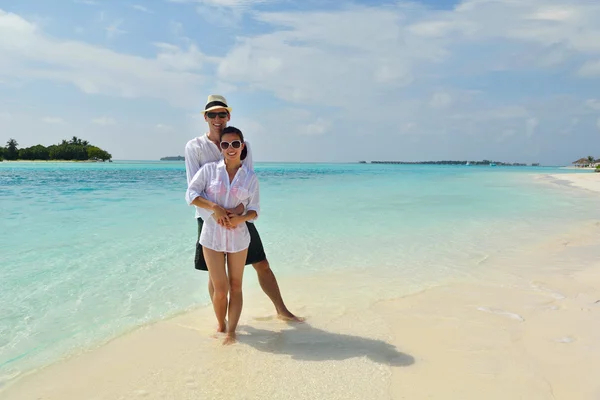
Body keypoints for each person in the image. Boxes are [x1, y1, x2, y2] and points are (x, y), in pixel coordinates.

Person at [184, 95, 303, 322]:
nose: (217, 118)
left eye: (221, 114)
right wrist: (215, 213)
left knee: (262, 263)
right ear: (205, 117)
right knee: (216, 277)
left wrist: (237, 214)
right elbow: (193, 187)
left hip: (239, 217)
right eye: (212, 114)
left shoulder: (243, 143)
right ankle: (222, 324)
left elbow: (247, 182)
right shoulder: (195, 146)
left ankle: (281, 310)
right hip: (208, 218)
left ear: (228, 115)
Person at [186, 126, 258, 345]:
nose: (230, 148)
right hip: (211, 236)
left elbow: (254, 210)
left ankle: (232, 332)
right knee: (220, 288)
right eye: (225, 144)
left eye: (235, 144)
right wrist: (214, 207)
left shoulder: (250, 177)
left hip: (239, 237)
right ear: (221, 148)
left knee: (236, 286)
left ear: (242, 146)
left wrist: (239, 218)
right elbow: (191, 194)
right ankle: (221, 324)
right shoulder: (208, 170)